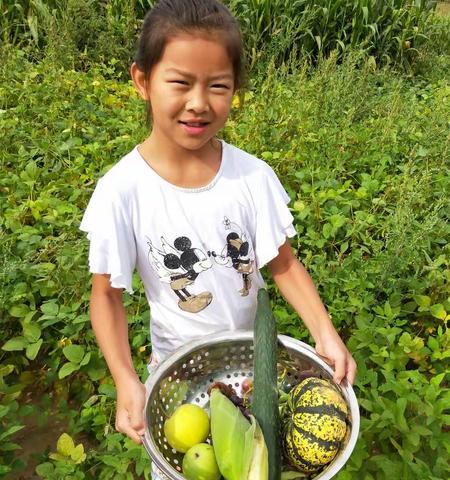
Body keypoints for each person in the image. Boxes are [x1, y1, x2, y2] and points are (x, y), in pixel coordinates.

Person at [80, 0, 356, 478]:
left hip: (254, 373)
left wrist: (325, 333)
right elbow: (106, 296)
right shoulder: (122, 192)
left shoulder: (251, 177)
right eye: (180, 82)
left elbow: (283, 264)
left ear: (236, 91)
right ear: (142, 81)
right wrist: (125, 379)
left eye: (218, 86)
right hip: (178, 377)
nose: (199, 102)